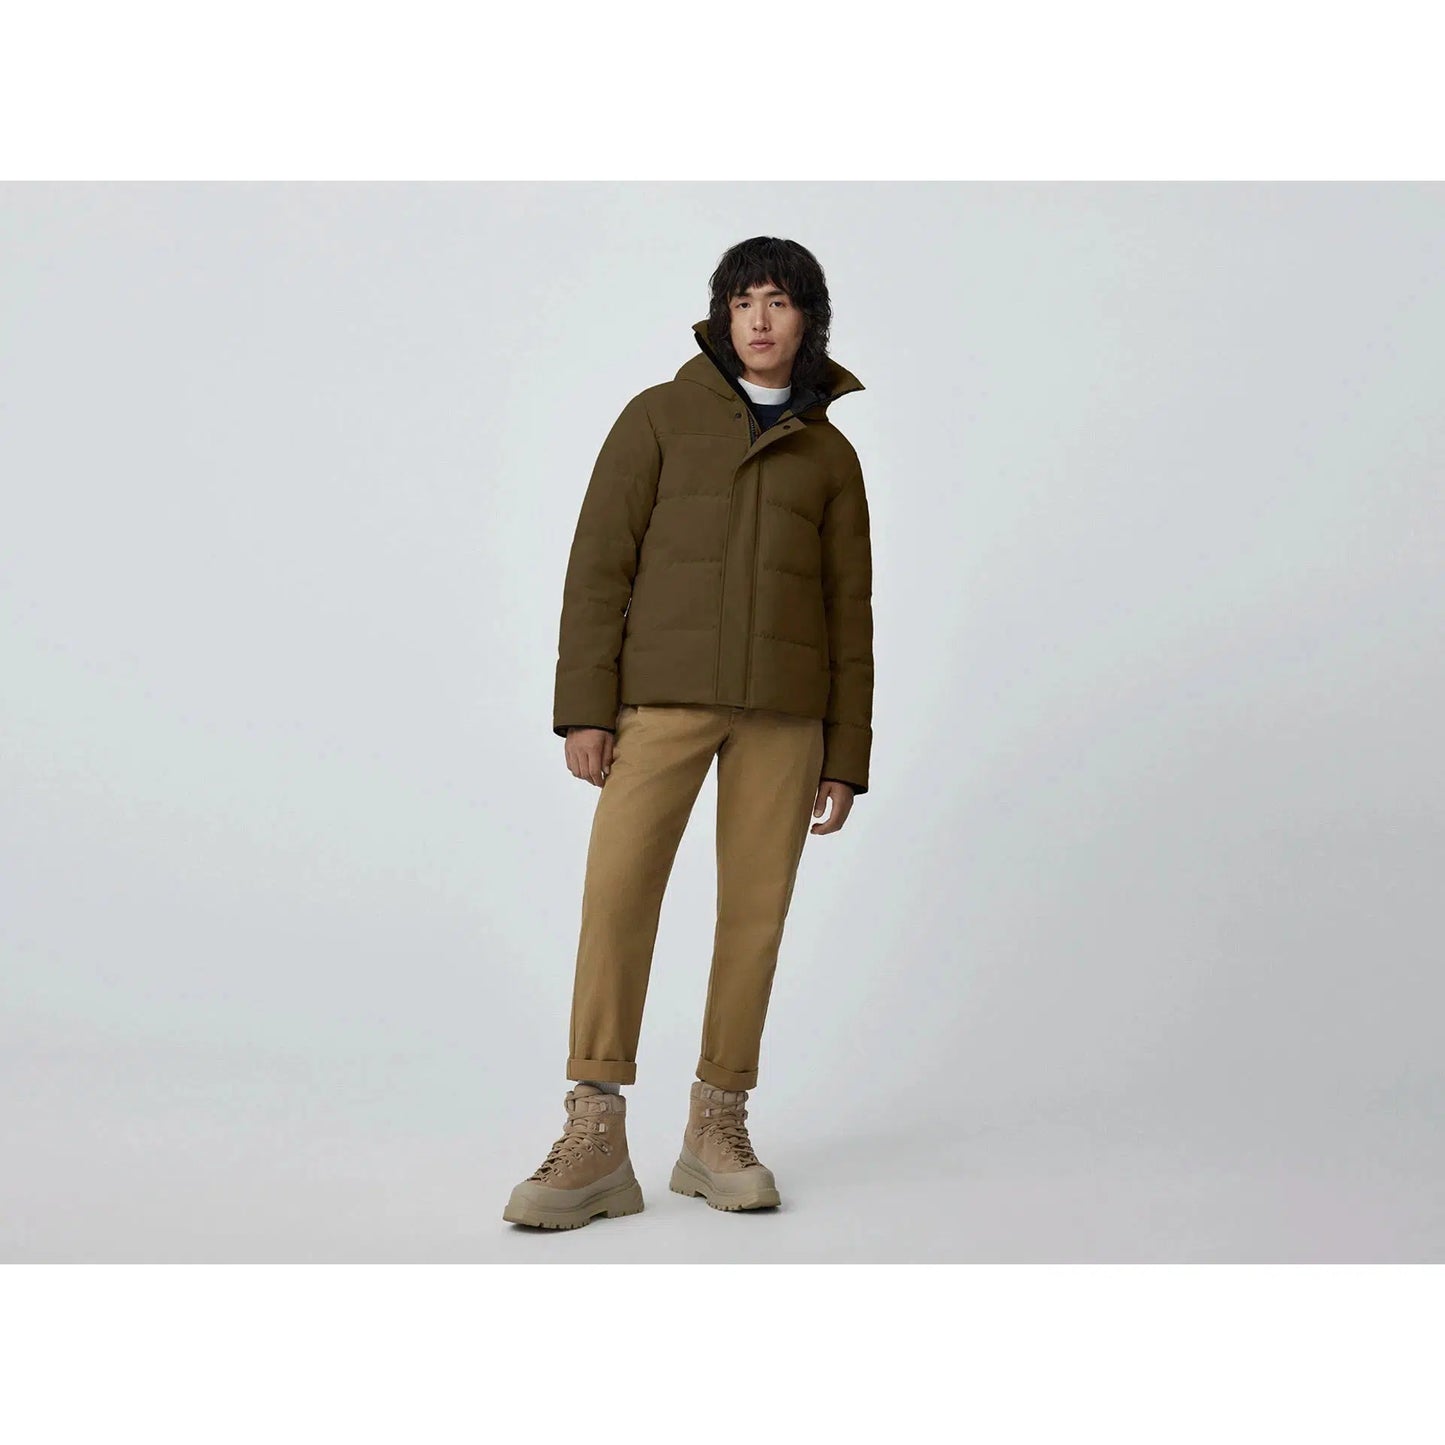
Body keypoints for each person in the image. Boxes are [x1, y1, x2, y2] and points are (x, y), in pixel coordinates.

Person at [503, 235, 874, 1229]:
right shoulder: (657, 417)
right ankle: (594, 1128)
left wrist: (845, 752)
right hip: (660, 701)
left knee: (753, 917)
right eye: (742, 300)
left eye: (778, 301)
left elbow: (849, 613)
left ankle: (717, 1126)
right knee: (617, 895)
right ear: (720, 314)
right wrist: (586, 707)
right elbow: (598, 565)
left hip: (786, 714)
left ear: (807, 319)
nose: (759, 319)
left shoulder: (830, 456)